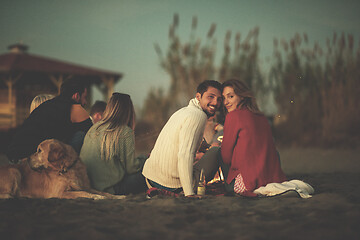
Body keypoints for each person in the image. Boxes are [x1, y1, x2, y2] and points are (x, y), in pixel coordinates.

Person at [142, 80, 222, 197]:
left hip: (150, 179)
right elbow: (185, 155)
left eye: (219, 99)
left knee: (207, 152)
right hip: (171, 185)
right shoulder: (198, 116)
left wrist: (204, 146)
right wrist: (189, 193)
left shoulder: (183, 111)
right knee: (217, 152)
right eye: (211, 97)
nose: (215, 102)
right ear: (198, 97)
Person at [220, 79, 287, 197]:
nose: (226, 102)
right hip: (270, 179)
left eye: (230, 96)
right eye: (224, 98)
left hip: (247, 184)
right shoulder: (262, 117)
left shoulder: (232, 116)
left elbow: (225, 157)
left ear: (242, 96)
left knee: (217, 152)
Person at [7, 80, 92, 162]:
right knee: (80, 135)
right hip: (29, 158)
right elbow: (93, 133)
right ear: (76, 96)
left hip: (14, 155)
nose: (85, 102)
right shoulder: (75, 108)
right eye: (85, 97)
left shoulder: (47, 105)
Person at [80, 93, 147, 195]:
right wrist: (146, 160)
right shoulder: (124, 131)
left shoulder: (94, 127)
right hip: (110, 190)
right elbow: (132, 168)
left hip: (90, 187)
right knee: (149, 173)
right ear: (128, 111)